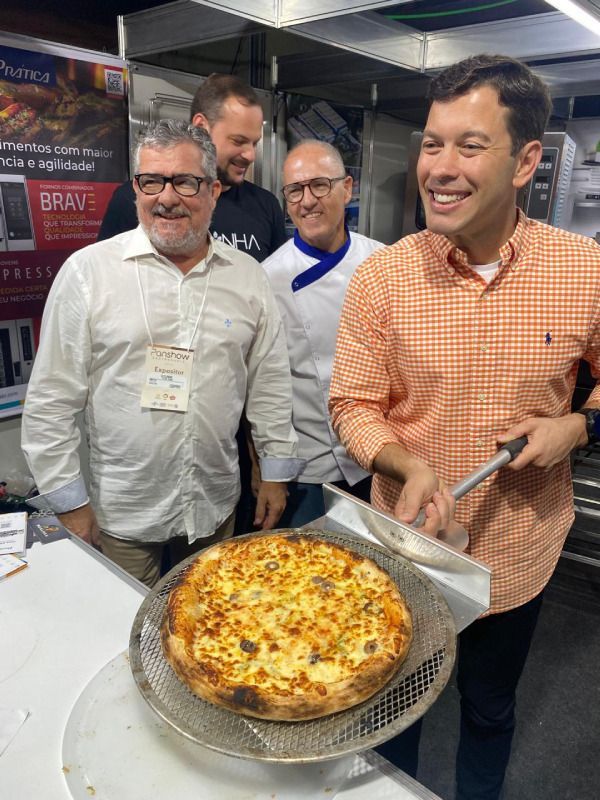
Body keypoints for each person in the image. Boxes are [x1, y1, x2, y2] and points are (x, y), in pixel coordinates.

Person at [329, 54, 600, 799]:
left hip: (517, 553)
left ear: (527, 161)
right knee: (392, 709)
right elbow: (352, 404)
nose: (440, 168)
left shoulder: (584, 270)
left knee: (488, 708)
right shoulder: (385, 276)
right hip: (409, 546)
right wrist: (404, 465)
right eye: (431, 144)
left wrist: (575, 426)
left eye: (469, 146)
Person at [22, 119, 301, 588]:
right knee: (130, 638)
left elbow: (269, 383)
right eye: (151, 181)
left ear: (213, 190)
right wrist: (70, 505)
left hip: (214, 506)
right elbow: (50, 403)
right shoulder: (88, 274)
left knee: (212, 633)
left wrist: (274, 473)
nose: (166, 197)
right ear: (136, 189)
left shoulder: (247, 276)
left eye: (185, 182)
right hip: (123, 513)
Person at [261, 140, 383, 526]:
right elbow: (264, 387)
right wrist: (270, 472)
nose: (307, 200)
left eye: (319, 185)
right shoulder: (268, 277)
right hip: (308, 466)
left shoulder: (383, 263)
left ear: (347, 189)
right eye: (295, 190)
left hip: (380, 458)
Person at [98, 73, 286, 263]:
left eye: (254, 143)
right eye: (238, 141)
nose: (251, 155)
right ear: (202, 127)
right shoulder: (135, 200)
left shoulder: (266, 206)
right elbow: (109, 275)